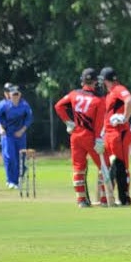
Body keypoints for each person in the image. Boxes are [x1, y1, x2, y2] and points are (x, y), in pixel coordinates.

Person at [54, 68, 107, 207]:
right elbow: (98, 123)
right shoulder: (99, 100)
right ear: (95, 82)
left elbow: (58, 106)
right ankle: (104, 199)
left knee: (78, 168)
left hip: (76, 135)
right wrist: (98, 138)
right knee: (104, 165)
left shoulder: (73, 94)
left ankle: (81, 200)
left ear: (83, 81)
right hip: (90, 136)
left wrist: (68, 122)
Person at [99, 66, 131, 205]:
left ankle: (124, 198)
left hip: (118, 133)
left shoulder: (118, 89)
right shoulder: (110, 94)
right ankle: (111, 197)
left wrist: (125, 118)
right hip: (110, 134)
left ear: (106, 80)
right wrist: (102, 133)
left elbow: (130, 101)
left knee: (120, 166)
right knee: (113, 166)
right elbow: (107, 115)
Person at [0, 85, 34, 189]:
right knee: (9, 157)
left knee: (21, 157)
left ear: (20, 95)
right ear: (10, 95)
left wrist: (22, 130)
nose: (16, 96)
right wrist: (1, 129)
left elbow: (29, 119)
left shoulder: (25, 105)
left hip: (20, 135)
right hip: (8, 135)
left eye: (17, 94)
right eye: (13, 94)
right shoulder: (4, 106)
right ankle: (12, 181)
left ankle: (19, 177)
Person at [0, 82, 12, 185]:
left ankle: (15, 176)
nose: (9, 93)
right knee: (6, 157)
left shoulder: (17, 103)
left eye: (10, 91)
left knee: (14, 157)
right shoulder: (1, 104)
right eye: (7, 91)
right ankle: (9, 178)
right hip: (4, 134)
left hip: (15, 134)